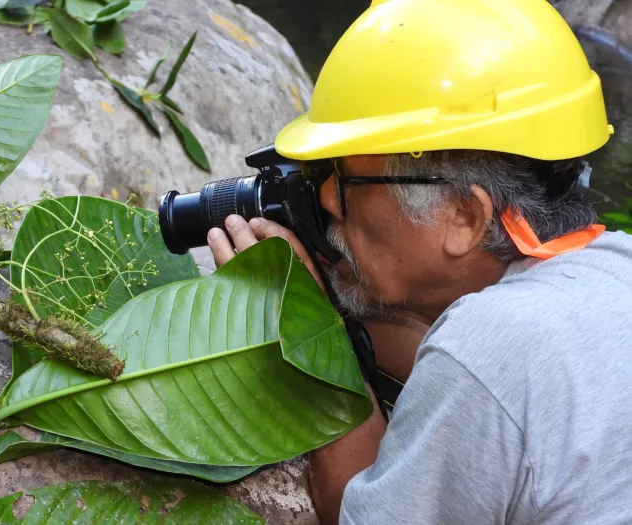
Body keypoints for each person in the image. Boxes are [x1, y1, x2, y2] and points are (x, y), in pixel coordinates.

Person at [207, 0, 632, 523]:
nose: (325, 202)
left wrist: (304, 335)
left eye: (346, 182)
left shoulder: (489, 345)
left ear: (464, 216)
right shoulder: (616, 268)